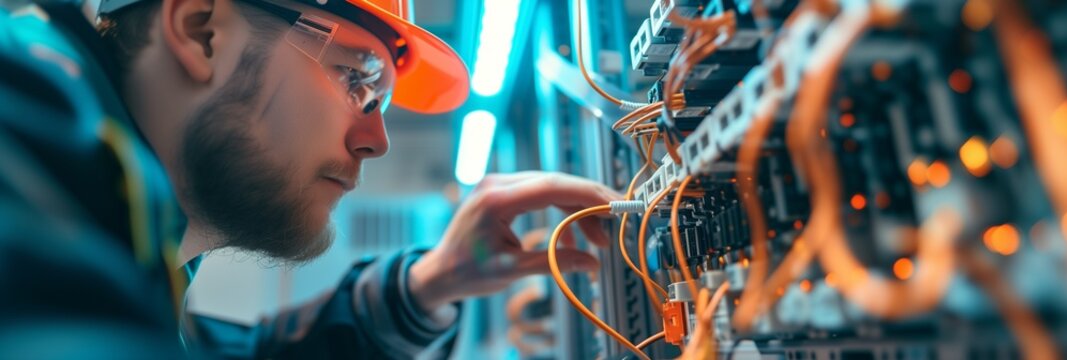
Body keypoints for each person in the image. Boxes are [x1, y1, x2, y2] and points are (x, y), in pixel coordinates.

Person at [0, 0, 620, 357]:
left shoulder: (133, 232)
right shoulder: (20, 113)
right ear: (200, 30)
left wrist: (428, 283)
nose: (376, 141)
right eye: (358, 80)